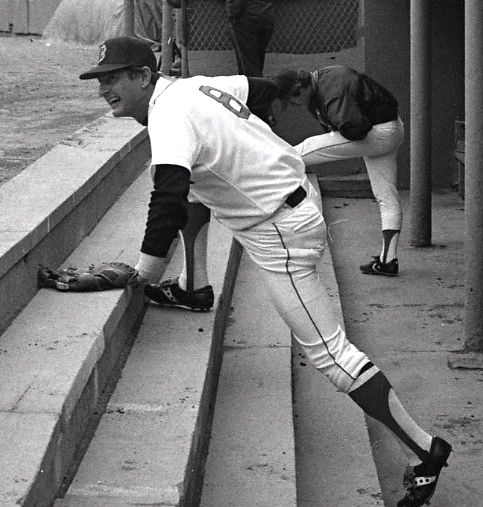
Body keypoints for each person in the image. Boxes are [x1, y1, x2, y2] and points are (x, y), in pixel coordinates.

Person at [79, 37, 452, 507]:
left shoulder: (169, 115)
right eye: (100, 80)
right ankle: (195, 286)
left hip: (280, 231)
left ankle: (425, 452)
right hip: (287, 201)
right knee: (196, 184)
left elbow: (166, 198)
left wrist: (143, 272)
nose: (104, 89)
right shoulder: (194, 87)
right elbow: (261, 86)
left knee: (331, 356)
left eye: (114, 78)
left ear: (143, 76)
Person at [273, 66, 404, 277]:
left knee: (305, 149)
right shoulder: (321, 83)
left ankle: (262, 167)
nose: (294, 104)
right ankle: (388, 261)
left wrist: (338, 135)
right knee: (386, 196)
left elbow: (355, 129)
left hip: (377, 133)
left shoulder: (331, 89)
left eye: (293, 98)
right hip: (389, 129)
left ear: (300, 88)